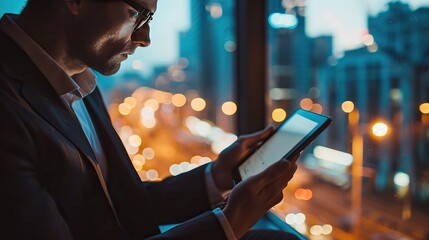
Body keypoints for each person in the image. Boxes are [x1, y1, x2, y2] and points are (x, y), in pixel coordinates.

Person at [0, 0, 299, 239]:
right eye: (137, 15)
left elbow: (120, 205)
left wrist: (217, 176)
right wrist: (228, 223)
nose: (145, 39)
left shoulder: (81, 82)